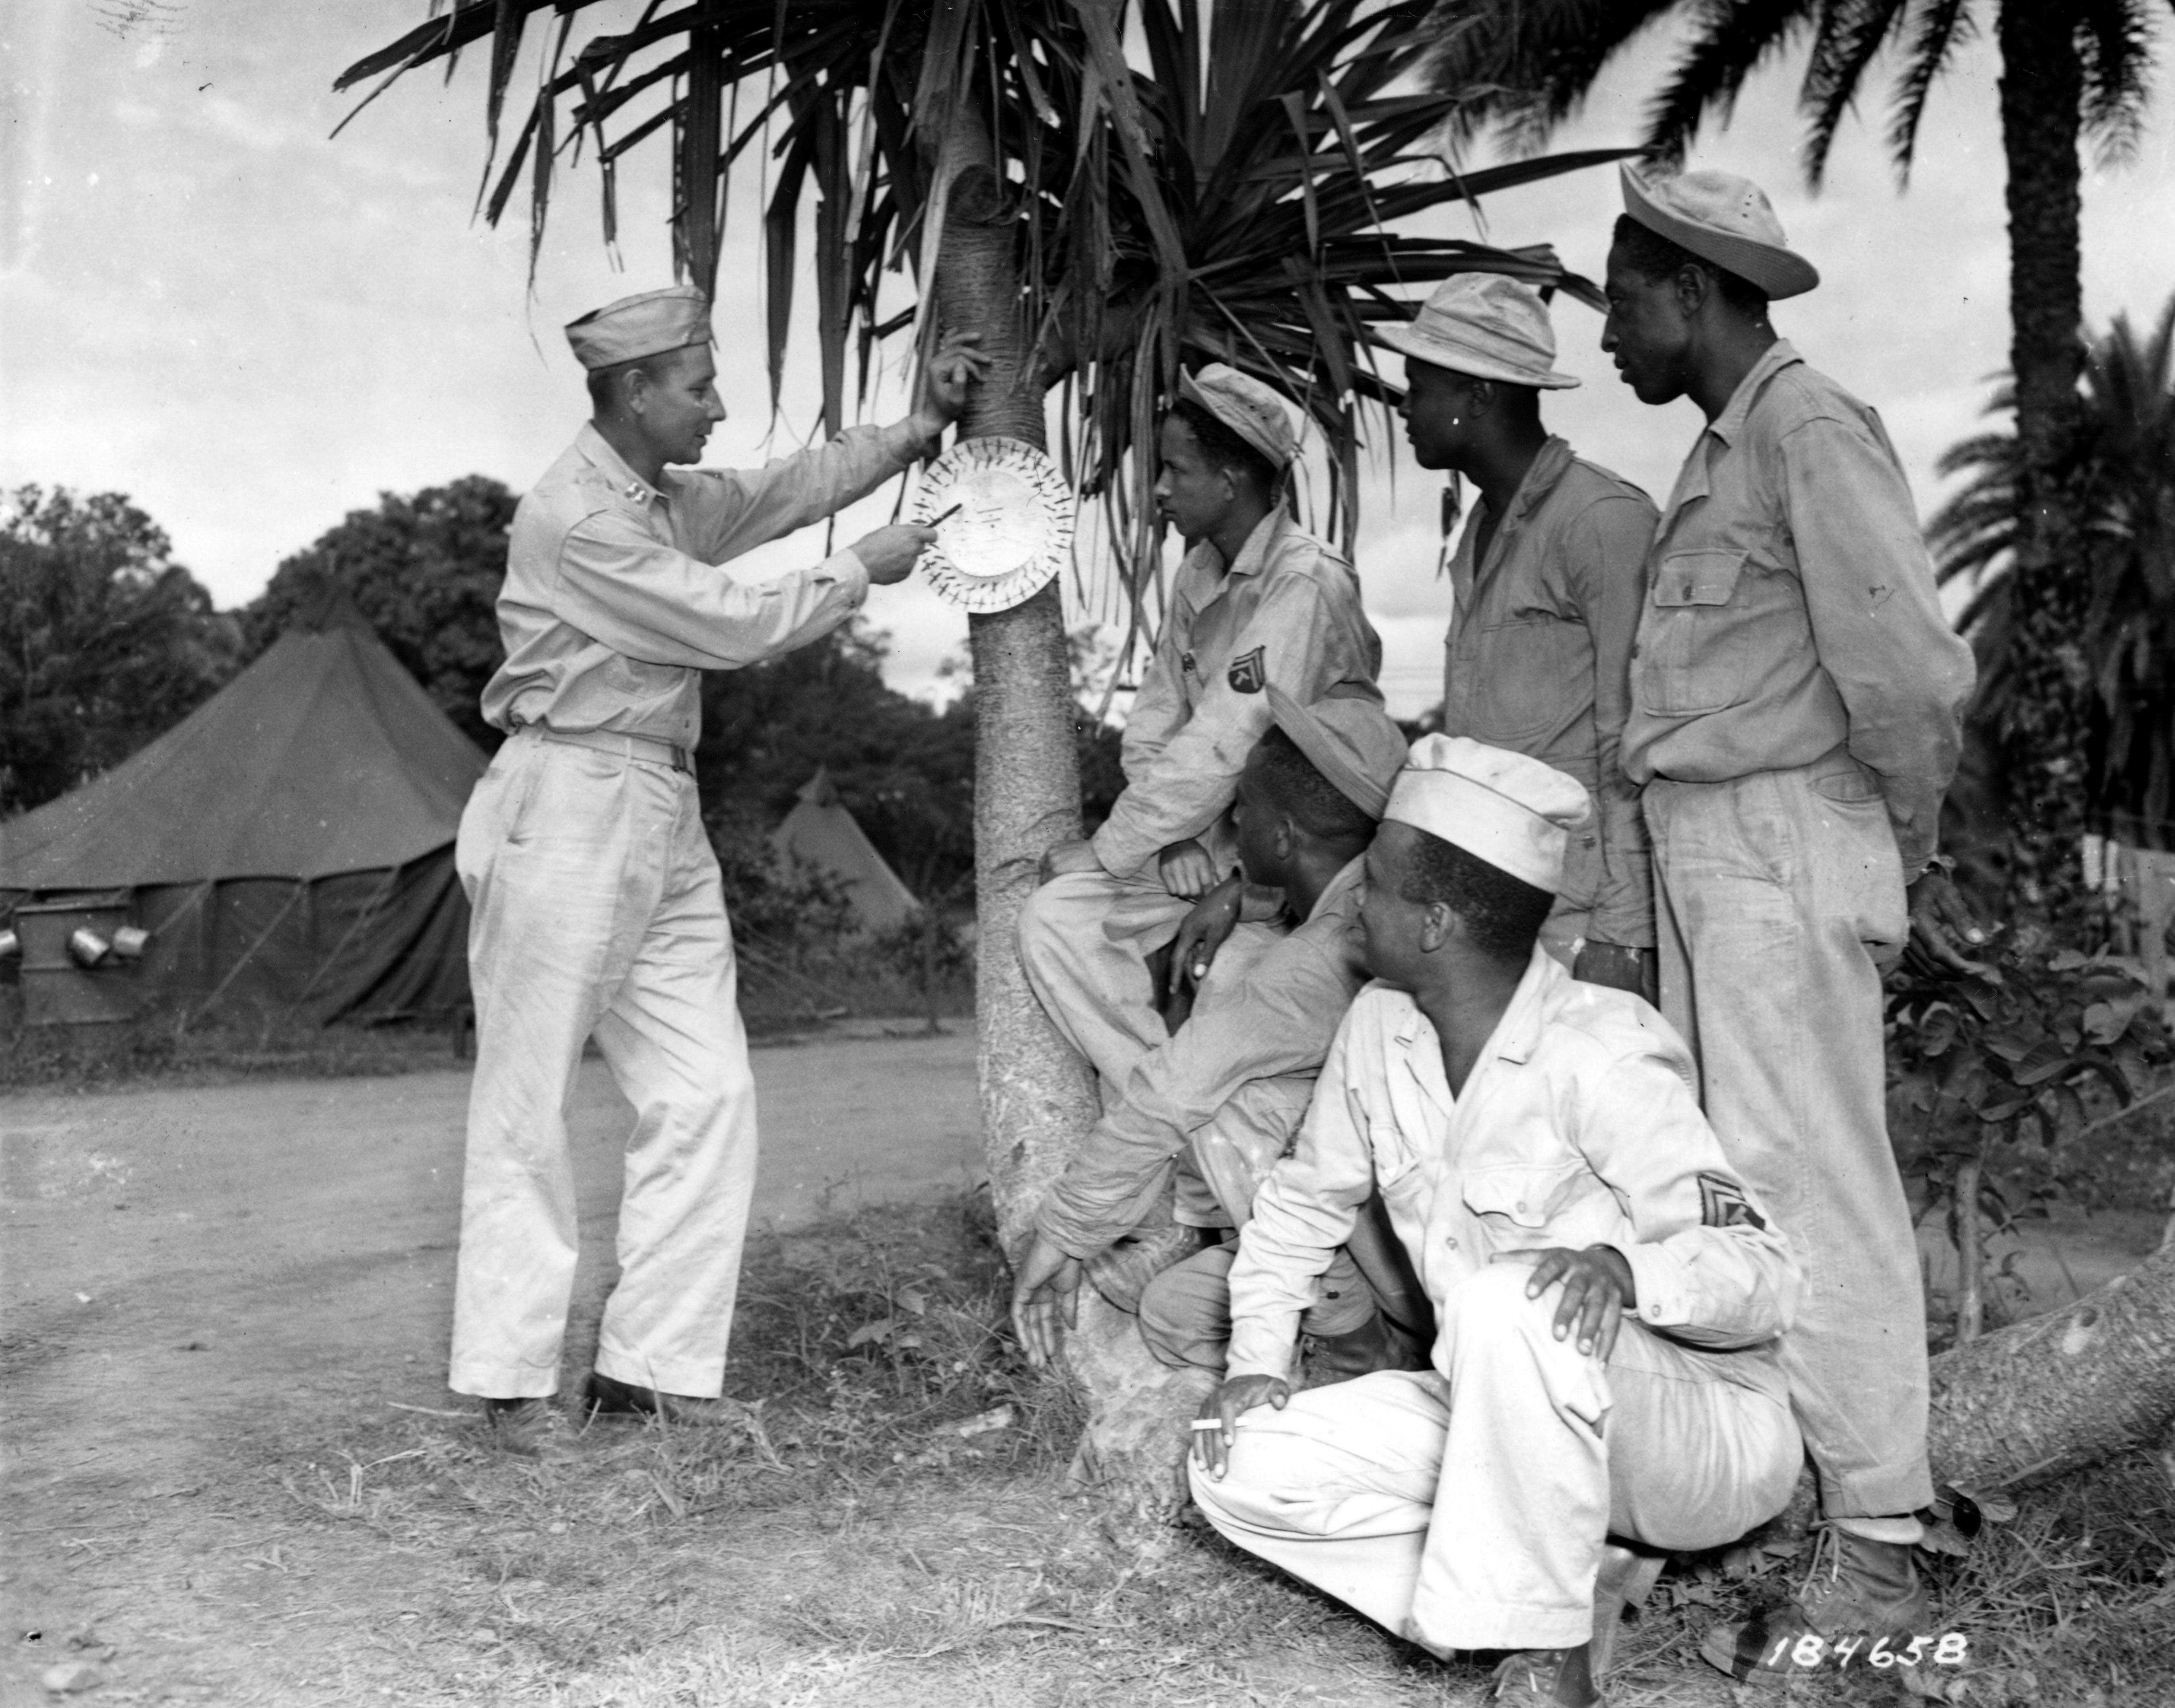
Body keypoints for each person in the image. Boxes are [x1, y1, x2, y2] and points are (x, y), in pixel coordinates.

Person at [450, 284, 983, 1456]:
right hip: (569, 798)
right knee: (526, 1101)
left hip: (657, 799)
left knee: (707, 1092)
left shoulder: (658, 501)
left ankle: (651, 1372)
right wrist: (859, 570)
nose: (718, 406)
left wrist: (912, 430)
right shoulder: (580, 521)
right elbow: (735, 625)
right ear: (634, 392)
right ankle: (510, 1384)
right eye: (698, 388)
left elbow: (780, 490)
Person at [1189, 736, 1803, 1708]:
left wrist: (1622, 1269)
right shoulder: (1378, 1026)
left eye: (1378, 884)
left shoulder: (1599, 1050)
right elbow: (1305, 1200)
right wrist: (1255, 1363)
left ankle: (1549, 1664)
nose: (1350, 897)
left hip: (1693, 1426)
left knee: (1511, 1296)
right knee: (1240, 1464)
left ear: (1433, 922)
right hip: (1502, 1408)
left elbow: (1764, 1272)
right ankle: (1541, 1596)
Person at [1598, 164, 1982, 1676]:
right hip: (1713, 845)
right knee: (1732, 1193)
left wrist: (1895, 843)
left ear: (1692, 293)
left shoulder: (1807, 428)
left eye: (1627, 298)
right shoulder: (1724, 450)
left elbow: (1910, 671)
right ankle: (1796, 1506)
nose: (1615, 331)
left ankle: (1884, 1541)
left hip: (1778, 835)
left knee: (1812, 1184)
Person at [1009, 686, 1427, 1379]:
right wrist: (1238, 891)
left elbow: (1177, 1087)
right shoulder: (1367, 895)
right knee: (1174, 1315)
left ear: (1284, 837)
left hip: (1417, 1262)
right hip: (1395, 1231)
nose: (1231, 820)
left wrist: (1062, 1233)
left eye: (1243, 810)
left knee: (1225, 1106)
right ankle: (1340, 1328)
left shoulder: (1313, 964)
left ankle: (1363, 1356)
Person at [1020, 363, 1382, 1107]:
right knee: (1056, 920)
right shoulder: (1200, 573)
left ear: (1230, 479)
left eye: (1175, 470)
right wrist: (1173, 842)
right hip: (1214, 841)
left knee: (1233, 991)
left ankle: (1193, 1140)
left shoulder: (1304, 584)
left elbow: (1224, 738)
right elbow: (1159, 723)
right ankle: (1168, 1116)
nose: (1158, 490)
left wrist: (1112, 849)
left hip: (1303, 865)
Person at [1382, 273, 1659, 999]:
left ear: (1478, 397)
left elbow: (1631, 737)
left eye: (1421, 386)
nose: (1405, 408)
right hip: (1501, 908)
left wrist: (1623, 932)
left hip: (1583, 917)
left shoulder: (1602, 522)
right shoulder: (1478, 530)